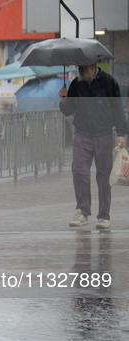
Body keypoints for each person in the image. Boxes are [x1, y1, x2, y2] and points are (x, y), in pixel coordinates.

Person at [59, 64, 127, 229]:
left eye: (84, 65)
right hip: (82, 134)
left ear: (93, 64)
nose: (81, 68)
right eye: (79, 65)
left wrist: (120, 132)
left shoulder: (109, 82)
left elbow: (118, 108)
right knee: (79, 171)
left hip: (103, 134)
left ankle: (104, 216)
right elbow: (69, 110)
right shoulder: (76, 83)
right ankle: (82, 211)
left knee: (104, 176)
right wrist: (63, 100)